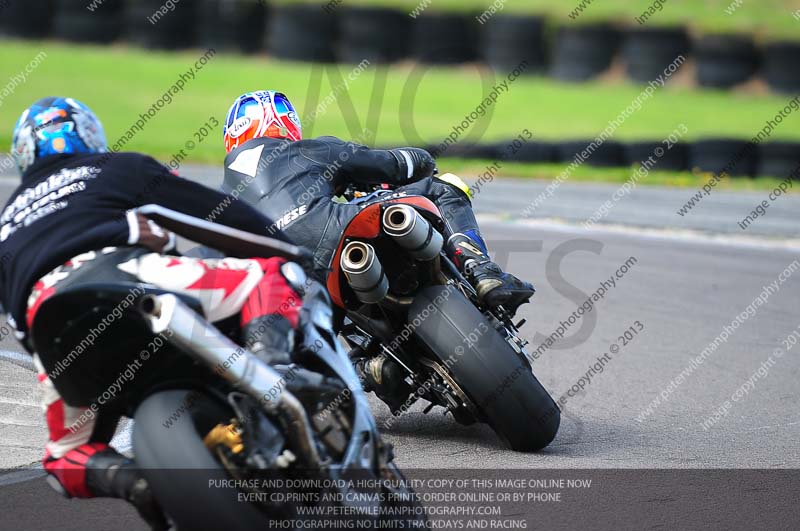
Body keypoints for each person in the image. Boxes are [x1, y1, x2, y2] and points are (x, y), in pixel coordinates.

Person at [0, 97, 309, 529]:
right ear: (90, 135)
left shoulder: (7, 222)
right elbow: (218, 215)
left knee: (63, 458)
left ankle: (134, 483)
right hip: (119, 279)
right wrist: (285, 247)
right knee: (270, 276)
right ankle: (275, 377)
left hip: (51, 324)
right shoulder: (115, 168)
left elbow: (17, 321)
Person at [218, 90, 535, 396]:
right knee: (447, 187)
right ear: (287, 125)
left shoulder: (218, 202)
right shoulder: (312, 150)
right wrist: (421, 161)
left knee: (307, 349)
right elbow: (402, 163)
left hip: (295, 281)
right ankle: (482, 271)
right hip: (338, 226)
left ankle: (365, 369)